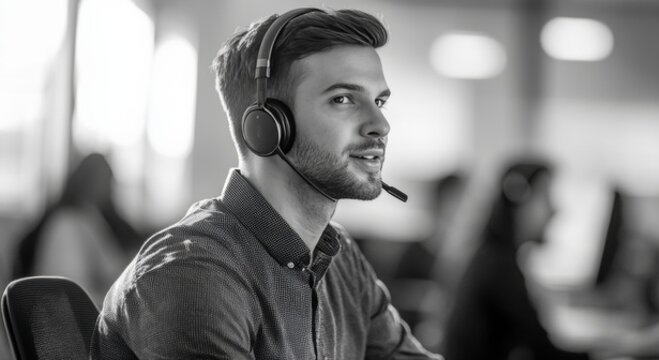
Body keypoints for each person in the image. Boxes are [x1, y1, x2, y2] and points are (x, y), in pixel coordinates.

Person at [90, 8, 440, 359]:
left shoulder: (339, 258)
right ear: (268, 125)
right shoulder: (193, 273)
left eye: (379, 101)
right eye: (343, 99)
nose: (381, 125)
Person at [443, 161, 590, 360]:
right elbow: (543, 349)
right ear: (519, 198)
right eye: (545, 197)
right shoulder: (499, 268)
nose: (554, 210)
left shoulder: (494, 257)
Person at [11, 153, 139, 303]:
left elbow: (112, 267)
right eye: (103, 182)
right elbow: (74, 287)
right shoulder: (66, 223)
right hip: (66, 308)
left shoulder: (90, 216)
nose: (106, 189)